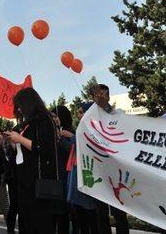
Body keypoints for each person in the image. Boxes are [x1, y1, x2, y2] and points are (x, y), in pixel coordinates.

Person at [4, 88, 58, 234]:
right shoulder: (28, 123)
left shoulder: (45, 119)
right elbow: (26, 150)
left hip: (38, 180)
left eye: (20, 105)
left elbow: (44, 148)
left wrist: (19, 138)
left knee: (39, 222)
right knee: (26, 220)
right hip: (24, 179)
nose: (19, 110)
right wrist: (13, 142)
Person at [89, 84, 129, 234]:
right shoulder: (89, 117)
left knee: (119, 212)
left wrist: (105, 107)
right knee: (101, 213)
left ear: (108, 95)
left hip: (116, 171)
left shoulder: (118, 113)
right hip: (99, 171)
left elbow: (122, 130)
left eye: (102, 94)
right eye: (96, 95)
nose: (99, 97)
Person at [67, 102, 99, 234]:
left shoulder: (95, 128)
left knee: (90, 215)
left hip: (90, 175)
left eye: (81, 112)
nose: (78, 115)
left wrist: (70, 137)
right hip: (78, 174)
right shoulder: (81, 127)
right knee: (81, 215)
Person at [51, 106, 74, 234]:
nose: (53, 119)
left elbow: (73, 151)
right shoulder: (49, 133)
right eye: (52, 117)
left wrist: (62, 138)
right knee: (53, 215)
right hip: (53, 180)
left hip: (67, 179)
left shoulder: (71, 133)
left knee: (64, 215)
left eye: (55, 116)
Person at [3, 124, 19, 234]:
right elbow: (13, 160)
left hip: (24, 179)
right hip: (14, 179)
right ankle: (10, 230)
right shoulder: (9, 146)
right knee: (14, 205)